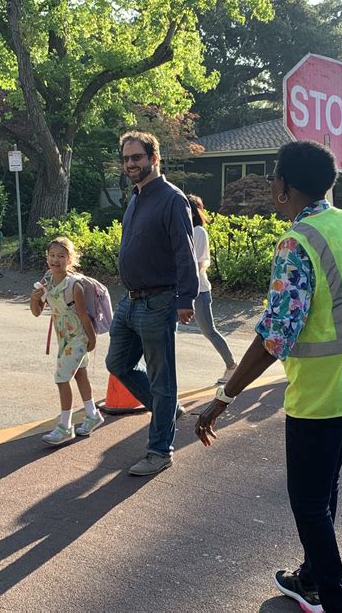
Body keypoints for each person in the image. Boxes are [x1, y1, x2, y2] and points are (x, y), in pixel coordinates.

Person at [195, 141, 342, 613]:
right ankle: (310, 578)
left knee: (307, 500)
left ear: (283, 186)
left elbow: (276, 336)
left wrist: (224, 396)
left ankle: (335, 598)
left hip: (321, 393)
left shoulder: (296, 242)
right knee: (324, 488)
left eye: (274, 177)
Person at [105, 131, 199, 476]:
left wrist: (185, 298)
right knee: (117, 363)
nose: (131, 164)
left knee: (163, 381)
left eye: (137, 158)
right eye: (126, 158)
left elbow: (184, 252)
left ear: (153, 159)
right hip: (129, 302)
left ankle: (160, 451)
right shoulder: (135, 198)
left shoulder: (172, 199)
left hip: (159, 301)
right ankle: (167, 408)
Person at [30, 237, 104, 446]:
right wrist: (34, 298)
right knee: (80, 375)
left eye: (61, 256)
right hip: (63, 338)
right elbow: (37, 312)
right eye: (52, 256)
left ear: (70, 260)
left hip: (78, 338)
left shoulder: (74, 286)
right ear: (47, 259)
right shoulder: (46, 281)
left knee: (62, 378)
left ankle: (65, 426)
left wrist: (91, 340)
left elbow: (83, 316)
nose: (56, 260)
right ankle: (92, 415)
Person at [186, 194, 237, 383]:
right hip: (181, 290)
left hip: (198, 290)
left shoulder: (198, 231)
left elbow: (198, 264)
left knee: (209, 331)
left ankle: (232, 366)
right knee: (167, 331)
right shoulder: (183, 230)